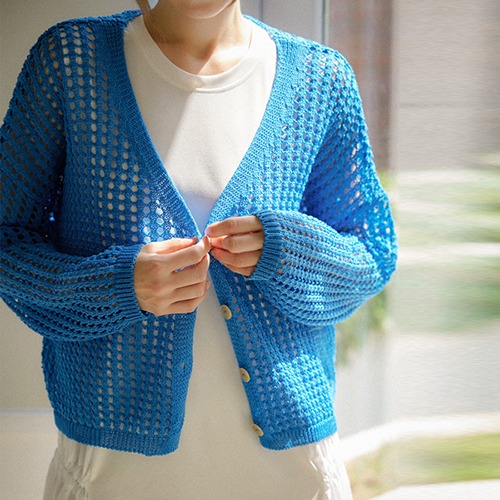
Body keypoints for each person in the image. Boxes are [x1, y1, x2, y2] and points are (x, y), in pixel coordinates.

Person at [0, 1, 397, 498]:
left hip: (292, 473)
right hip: (112, 472)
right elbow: (7, 239)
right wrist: (115, 286)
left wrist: (290, 252)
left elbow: (371, 252)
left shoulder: (320, 79)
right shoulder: (72, 62)